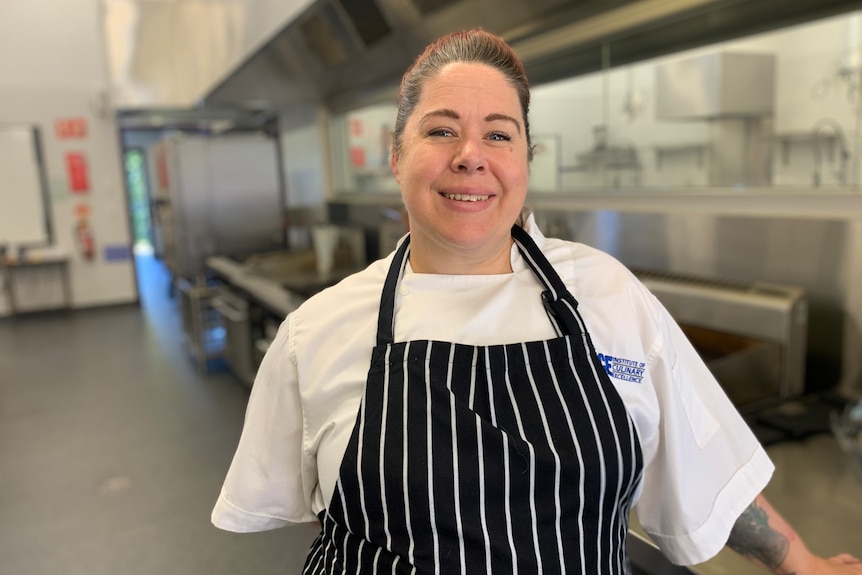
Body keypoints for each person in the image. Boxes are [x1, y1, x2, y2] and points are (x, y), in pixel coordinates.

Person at [212, 29, 862, 575]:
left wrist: (802, 563)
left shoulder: (607, 295)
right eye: (441, 130)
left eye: (499, 135)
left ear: (526, 158)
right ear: (396, 152)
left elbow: (705, 471)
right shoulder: (318, 331)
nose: (471, 157)